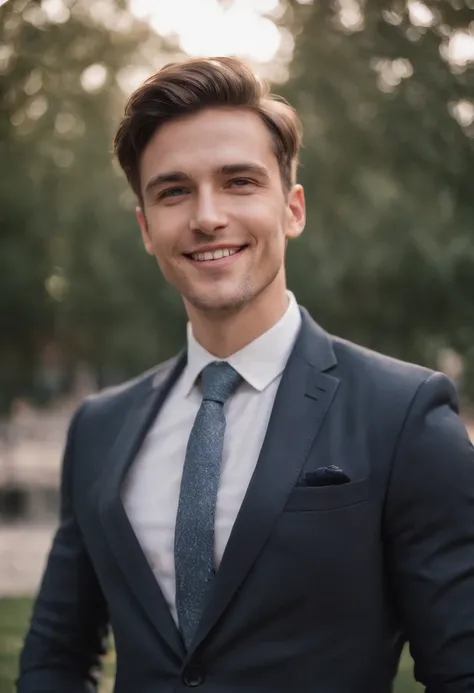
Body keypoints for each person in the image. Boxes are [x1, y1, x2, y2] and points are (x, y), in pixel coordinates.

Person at [18, 56, 474, 693]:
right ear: (147, 228)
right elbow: (55, 657)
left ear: (292, 210)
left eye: (239, 182)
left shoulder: (405, 414)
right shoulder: (100, 427)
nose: (207, 216)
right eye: (174, 191)